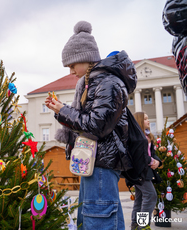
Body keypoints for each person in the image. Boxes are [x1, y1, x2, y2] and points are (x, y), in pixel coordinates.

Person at [46, 21, 137, 230]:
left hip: (102, 164)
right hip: (94, 162)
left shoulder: (108, 83)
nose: (70, 71)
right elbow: (88, 120)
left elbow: (96, 126)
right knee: (94, 218)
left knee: (99, 220)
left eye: (71, 65)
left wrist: (63, 110)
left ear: (84, 58)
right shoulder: (95, 82)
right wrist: (60, 110)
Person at [131, 112, 162, 230]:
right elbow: (139, 155)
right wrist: (151, 161)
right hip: (139, 172)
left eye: (148, 118)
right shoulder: (136, 137)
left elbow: (153, 154)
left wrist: (157, 162)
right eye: (145, 119)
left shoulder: (148, 137)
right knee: (150, 195)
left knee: (139, 198)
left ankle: (135, 224)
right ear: (139, 121)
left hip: (147, 171)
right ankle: (142, 226)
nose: (148, 121)